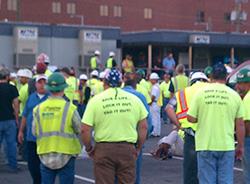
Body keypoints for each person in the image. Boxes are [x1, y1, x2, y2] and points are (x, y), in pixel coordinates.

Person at [81, 69, 148, 184]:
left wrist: (89, 148)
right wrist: (138, 148)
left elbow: (85, 129)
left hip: (104, 149)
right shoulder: (134, 100)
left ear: (104, 82)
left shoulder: (96, 100)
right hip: (127, 148)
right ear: (121, 82)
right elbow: (143, 127)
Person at [187, 63, 245, 184]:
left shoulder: (200, 94)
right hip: (226, 145)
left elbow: (190, 118)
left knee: (207, 181)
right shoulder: (234, 96)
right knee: (225, 180)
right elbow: (240, 124)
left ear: (211, 76)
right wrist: (240, 145)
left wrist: (204, 116)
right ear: (226, 77)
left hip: (205, 144)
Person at [32, 72, 81, 184]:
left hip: (45, 152)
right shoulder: (70, 108)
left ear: (48, 88)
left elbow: (34, 132)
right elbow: (79, 128)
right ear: (63, 89)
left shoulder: (38, 109)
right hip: (66, 153)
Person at [166, 71, 209, 184]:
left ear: (191, 81)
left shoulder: (182, 93)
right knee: (209, 169)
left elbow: (168, 108)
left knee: (190, 170)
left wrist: (178, 124)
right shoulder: (212, 90)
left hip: (190, 135)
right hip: (209, 134)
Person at [18, 74, 49, 184]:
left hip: (46, 139)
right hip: (31, 138)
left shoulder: (51, 98)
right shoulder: (31, 97)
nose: (42, 85)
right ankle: (37, 181)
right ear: (35, 84)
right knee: (32, 165)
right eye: (39, 82)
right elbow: (25, 115)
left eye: (44, 82)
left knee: (46, 166)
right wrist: (21, 131)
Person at [123, 72, 153, 184]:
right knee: (133, 176)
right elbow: (147, 124)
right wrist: (141, 143)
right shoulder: (139, 96)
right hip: (133, 141)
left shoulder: (110, 96)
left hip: (111, 142)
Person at [0, 67, 19, 172]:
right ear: (7, 77)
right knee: (11, 143)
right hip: (9, 119)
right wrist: (16, 118)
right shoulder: (12, 88)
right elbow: (16, 104)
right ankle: (13, 165)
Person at [236, 68, 250, 183]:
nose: (238, 87)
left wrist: (242, 142)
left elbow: (247, 123)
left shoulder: (248, 98)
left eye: (241, 83)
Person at [149, 72, 161, 137]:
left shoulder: (154, 87)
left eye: (151, 79)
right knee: (157, 118)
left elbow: (153, 96)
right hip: (157, 103)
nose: (150, 81)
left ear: (154, 79)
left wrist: (150, 102)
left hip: (154, 104)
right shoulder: (158, 86)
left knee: (154, 118)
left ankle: (154, 132)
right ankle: (157, 132)